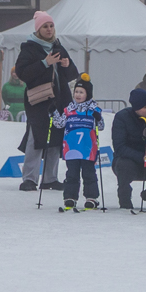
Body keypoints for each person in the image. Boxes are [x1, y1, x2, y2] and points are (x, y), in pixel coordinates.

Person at [16, 10, 79, 192]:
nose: (49, 29)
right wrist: (45, 63)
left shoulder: (58, 46)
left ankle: (50, 178)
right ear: (38, 29)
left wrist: (67, 65)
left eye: (51, 26)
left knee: (56, 138)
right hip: (39, 101)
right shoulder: (29, 48)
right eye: (45, 26)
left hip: (60, 100)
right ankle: (29, 179)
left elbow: (72, 74)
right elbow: (22, 73)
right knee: (36, 137)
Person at [51, 73, 103, 210]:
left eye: (81, 92)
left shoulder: (93, 109)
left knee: (89, 174)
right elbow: (59, 124)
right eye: (76, 92)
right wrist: (53, 113)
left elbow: (101, 127)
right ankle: (70, 197)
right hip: (72, 148)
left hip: (88, 149)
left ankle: (91, 198)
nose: (78, 95)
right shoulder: (69, 109)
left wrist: (98, 118)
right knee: (71, 174)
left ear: (88, 94)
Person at [112, 88, 146, 210]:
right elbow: (120, 147)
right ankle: (125, 200)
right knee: (124, 165)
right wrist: (143, 157)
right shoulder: (122, 117)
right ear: (136, 109)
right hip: (130, 161)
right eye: (145, 107)